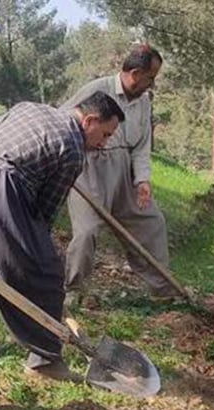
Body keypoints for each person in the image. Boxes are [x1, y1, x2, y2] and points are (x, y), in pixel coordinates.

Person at [0, 92, 125, 380]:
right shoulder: (73, 149)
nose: (103, 144)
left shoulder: (29, 108)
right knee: (46, 273)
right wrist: (38, 251)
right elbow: (45, 209)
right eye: (105, 134)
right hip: (2, 191)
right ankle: (45, 360)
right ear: (89, 121)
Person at [62, 44, 175, 306]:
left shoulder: (144, 102)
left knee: (151, 221)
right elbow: (65, 118)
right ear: (135, 73)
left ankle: (163, 288)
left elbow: (143, 144)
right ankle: (74, 289)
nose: (152, 84)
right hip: (89, 166)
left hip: (124, 169)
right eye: (150, 77)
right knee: (87, 229)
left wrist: (142, 179)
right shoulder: (97, 89)